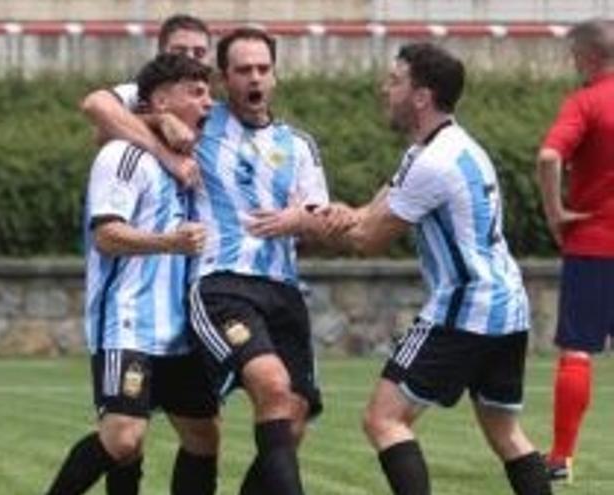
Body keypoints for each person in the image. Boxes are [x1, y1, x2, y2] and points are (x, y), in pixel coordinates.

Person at [316, 42, 551, 495]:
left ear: (421, 97)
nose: (385, 89)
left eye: (395, 81)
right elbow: (372, 213)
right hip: (507, 305)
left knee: (384, 420)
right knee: (506, 433)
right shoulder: (445, 147)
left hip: (465, 307)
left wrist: (302, 224)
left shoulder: (434, 163)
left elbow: (368, 239)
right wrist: (343, 213)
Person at [44, 53, 219, 495]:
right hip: (128, 323)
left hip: (180, 330)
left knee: (203, 437)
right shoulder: (123, 155)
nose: (208, 103)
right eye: (196, 93)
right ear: (161, 101)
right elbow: (107, 235)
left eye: (209, 93)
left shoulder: (191, 160)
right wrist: (169, 242)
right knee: (124, 438)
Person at [187, 27, 330, 495]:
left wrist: (299, 218)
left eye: (263, 69)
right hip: (222, 284)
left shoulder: (299, 145)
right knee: (271, 384)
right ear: (223, 78)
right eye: (243, 70)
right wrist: (163, 124)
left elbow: (321, 219)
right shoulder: (199, 126)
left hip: (283, 289)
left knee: (295, 413)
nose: (255, 78)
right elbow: (118, 111)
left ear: (275, 76)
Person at [536, 18, 614, 483]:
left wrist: (555, 213)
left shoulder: (586, 102)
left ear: (587, 56)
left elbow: (549, 157)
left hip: (594, 245)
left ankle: (561, 458)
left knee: (579, 351)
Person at [81, 13, 212, 187]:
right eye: (179, 51)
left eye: (199, 52)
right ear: (161, 53)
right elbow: (97, 112)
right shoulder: (141, 92)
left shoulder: (213, 103)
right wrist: (166, 150)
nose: (190, 57)